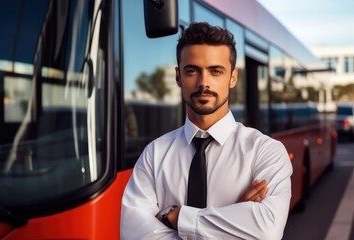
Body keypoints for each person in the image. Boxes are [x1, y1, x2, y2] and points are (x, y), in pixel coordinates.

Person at [120, 22, 293, 239]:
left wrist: (177, 217)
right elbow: (134, 234)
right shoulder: (154, 155)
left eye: (215, 71)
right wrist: (232, 221)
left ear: (233, 77)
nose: (204, 83)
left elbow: (266, 232)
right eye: (192, 70)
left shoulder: (266, 152)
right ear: (178, 77)